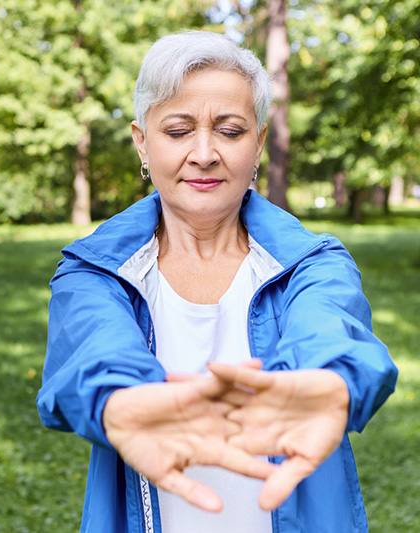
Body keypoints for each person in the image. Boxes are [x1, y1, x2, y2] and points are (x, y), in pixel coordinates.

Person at [36, 30, 398, 533]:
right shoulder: (93, 271)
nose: (204, 153)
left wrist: (331, 381)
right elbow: (93, 353)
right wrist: (120, 399)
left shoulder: (315, 262)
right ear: (142, 142)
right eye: (178, 130)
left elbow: (330, 331)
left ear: (259, 143)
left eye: (229, 131)